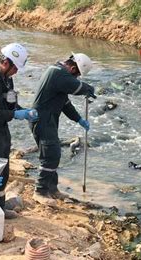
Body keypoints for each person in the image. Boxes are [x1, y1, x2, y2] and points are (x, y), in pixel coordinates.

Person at [0, 43, 38, 219]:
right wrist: (15, 114)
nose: (16, 72)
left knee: (3, 167)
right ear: (6, 62)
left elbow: (11, 101)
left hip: (1, 126)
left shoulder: (7, 78)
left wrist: (23, 111)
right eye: (16, 68)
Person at [29, 53, 96, 206]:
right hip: (42, 119)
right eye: (77, 75)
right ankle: (40, 191)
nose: (77, 79)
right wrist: (87, 88)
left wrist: (78, 119)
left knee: (53, 153)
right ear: (73, 69)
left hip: (49, 119)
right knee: (50, 155)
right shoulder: (57, 73)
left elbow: (65, 104)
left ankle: (52, 189)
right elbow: (77, 87)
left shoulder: (59, 74)